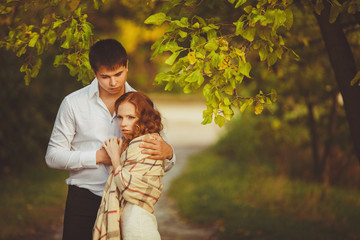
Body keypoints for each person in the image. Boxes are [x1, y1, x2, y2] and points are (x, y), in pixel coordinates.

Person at [45, 39, 175, 240]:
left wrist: (169, 152)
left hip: (129, 202)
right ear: (94, 72)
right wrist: (98, 157)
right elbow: (53, 157)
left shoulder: (142, 103)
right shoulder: (73, 103)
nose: (113, 83)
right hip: (83, 199)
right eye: (105, 77)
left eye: (118, 74)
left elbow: (161, 160)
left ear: (127, 66)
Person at [93, 91, 165, 240]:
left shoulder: (147, 144)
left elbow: (128, 187)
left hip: (138, 225)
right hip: (131, 221)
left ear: (144, 118)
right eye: (120, 117)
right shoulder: (130, 146)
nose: (123, 123)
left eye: (131, 117)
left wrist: (115, 157)